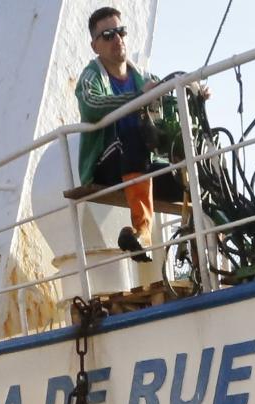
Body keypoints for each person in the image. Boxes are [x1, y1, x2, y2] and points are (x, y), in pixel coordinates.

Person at [74, 9, 165, 260]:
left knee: (194, 152)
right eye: (108, 34)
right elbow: (91, 106)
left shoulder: (143, 77)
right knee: (134, 137)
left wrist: (194, 91)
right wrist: (139, 98)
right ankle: (143, 232)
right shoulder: (91, 76)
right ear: (95, 46)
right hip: (106, 165)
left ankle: (215, 240)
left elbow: (167, 94)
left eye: (120, 31)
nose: (118, 39)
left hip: (142, 163)